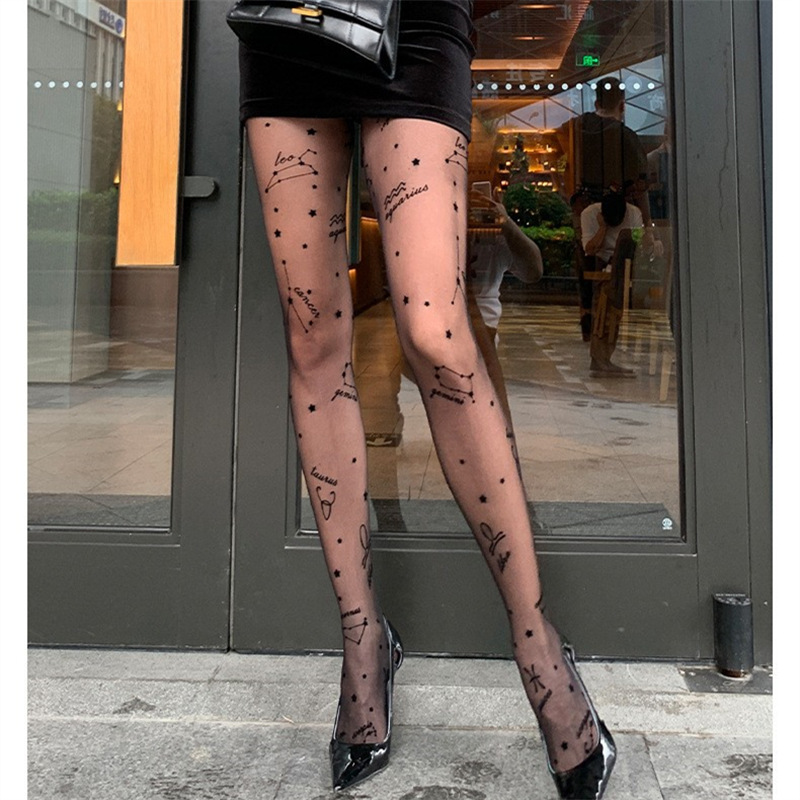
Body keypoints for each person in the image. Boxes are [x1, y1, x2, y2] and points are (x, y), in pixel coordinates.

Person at [236, 1, 616, 797]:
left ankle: (537, 642)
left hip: (415, 24)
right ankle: (363, 643)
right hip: (290, 25)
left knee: (437, 334)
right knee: (312, 339)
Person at [553, 77, 651, 342]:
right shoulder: (626, 137)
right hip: (620, 214)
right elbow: (640, 185)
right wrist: (649, 227)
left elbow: (558, 163)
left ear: (596, 103)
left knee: (586, 262)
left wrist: (570, 196)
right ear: (623, 105)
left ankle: (588, 318)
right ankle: (608, 328)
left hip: (584, 209)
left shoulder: (574, 129)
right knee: (617, 271)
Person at [581, 189, 644, 376]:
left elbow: (639, 242)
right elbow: (589, 249)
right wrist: (603, 227)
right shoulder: (589, 214)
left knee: (615, 312)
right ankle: (599, 358)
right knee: (604, 310)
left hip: (626, 263)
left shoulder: (634, 213)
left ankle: (603, 358)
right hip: (601, 264)